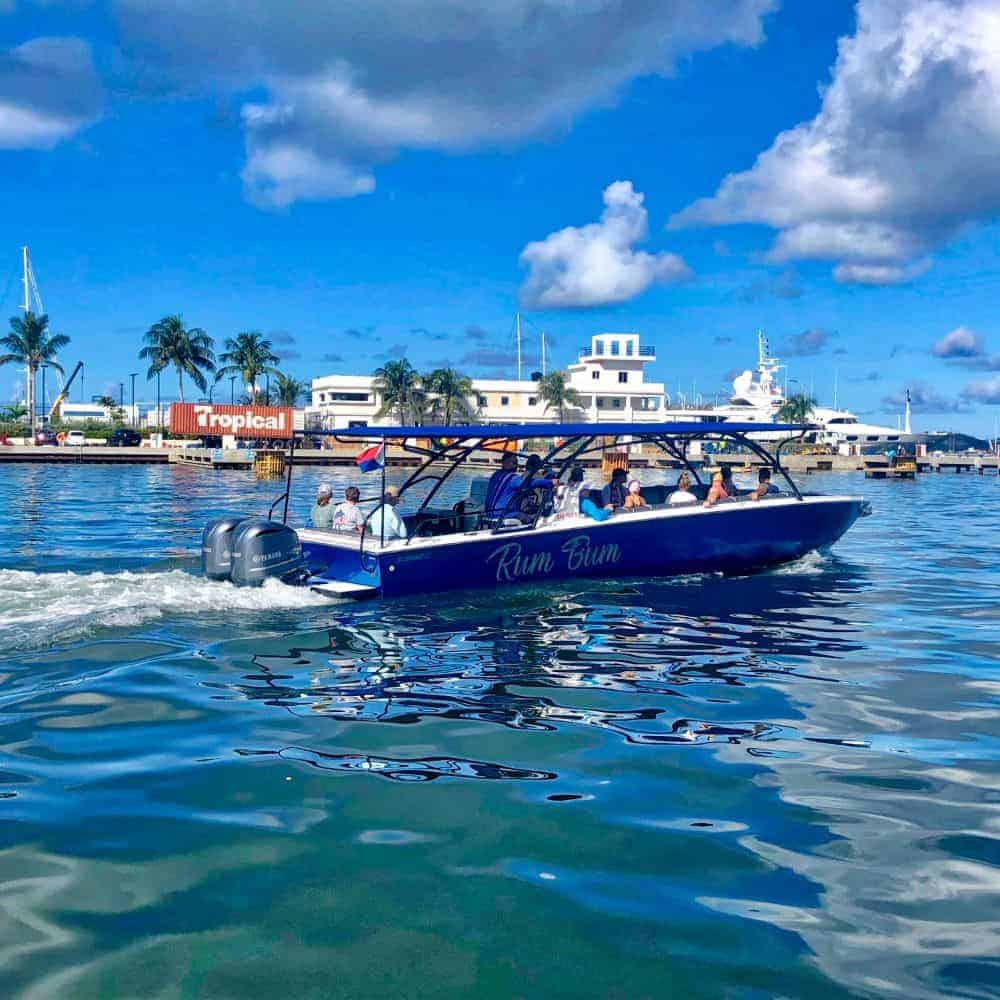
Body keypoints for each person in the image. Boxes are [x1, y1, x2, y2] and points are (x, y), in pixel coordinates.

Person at [484, 452, 553, 522]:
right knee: (529, 519)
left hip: (489, 513)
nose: (516, 465)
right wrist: (550, 482)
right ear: (505, 463)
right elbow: (528, 483)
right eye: (514, 463)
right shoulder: (512, 478)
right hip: (503, 514)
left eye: (516, 463)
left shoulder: (495, 475)